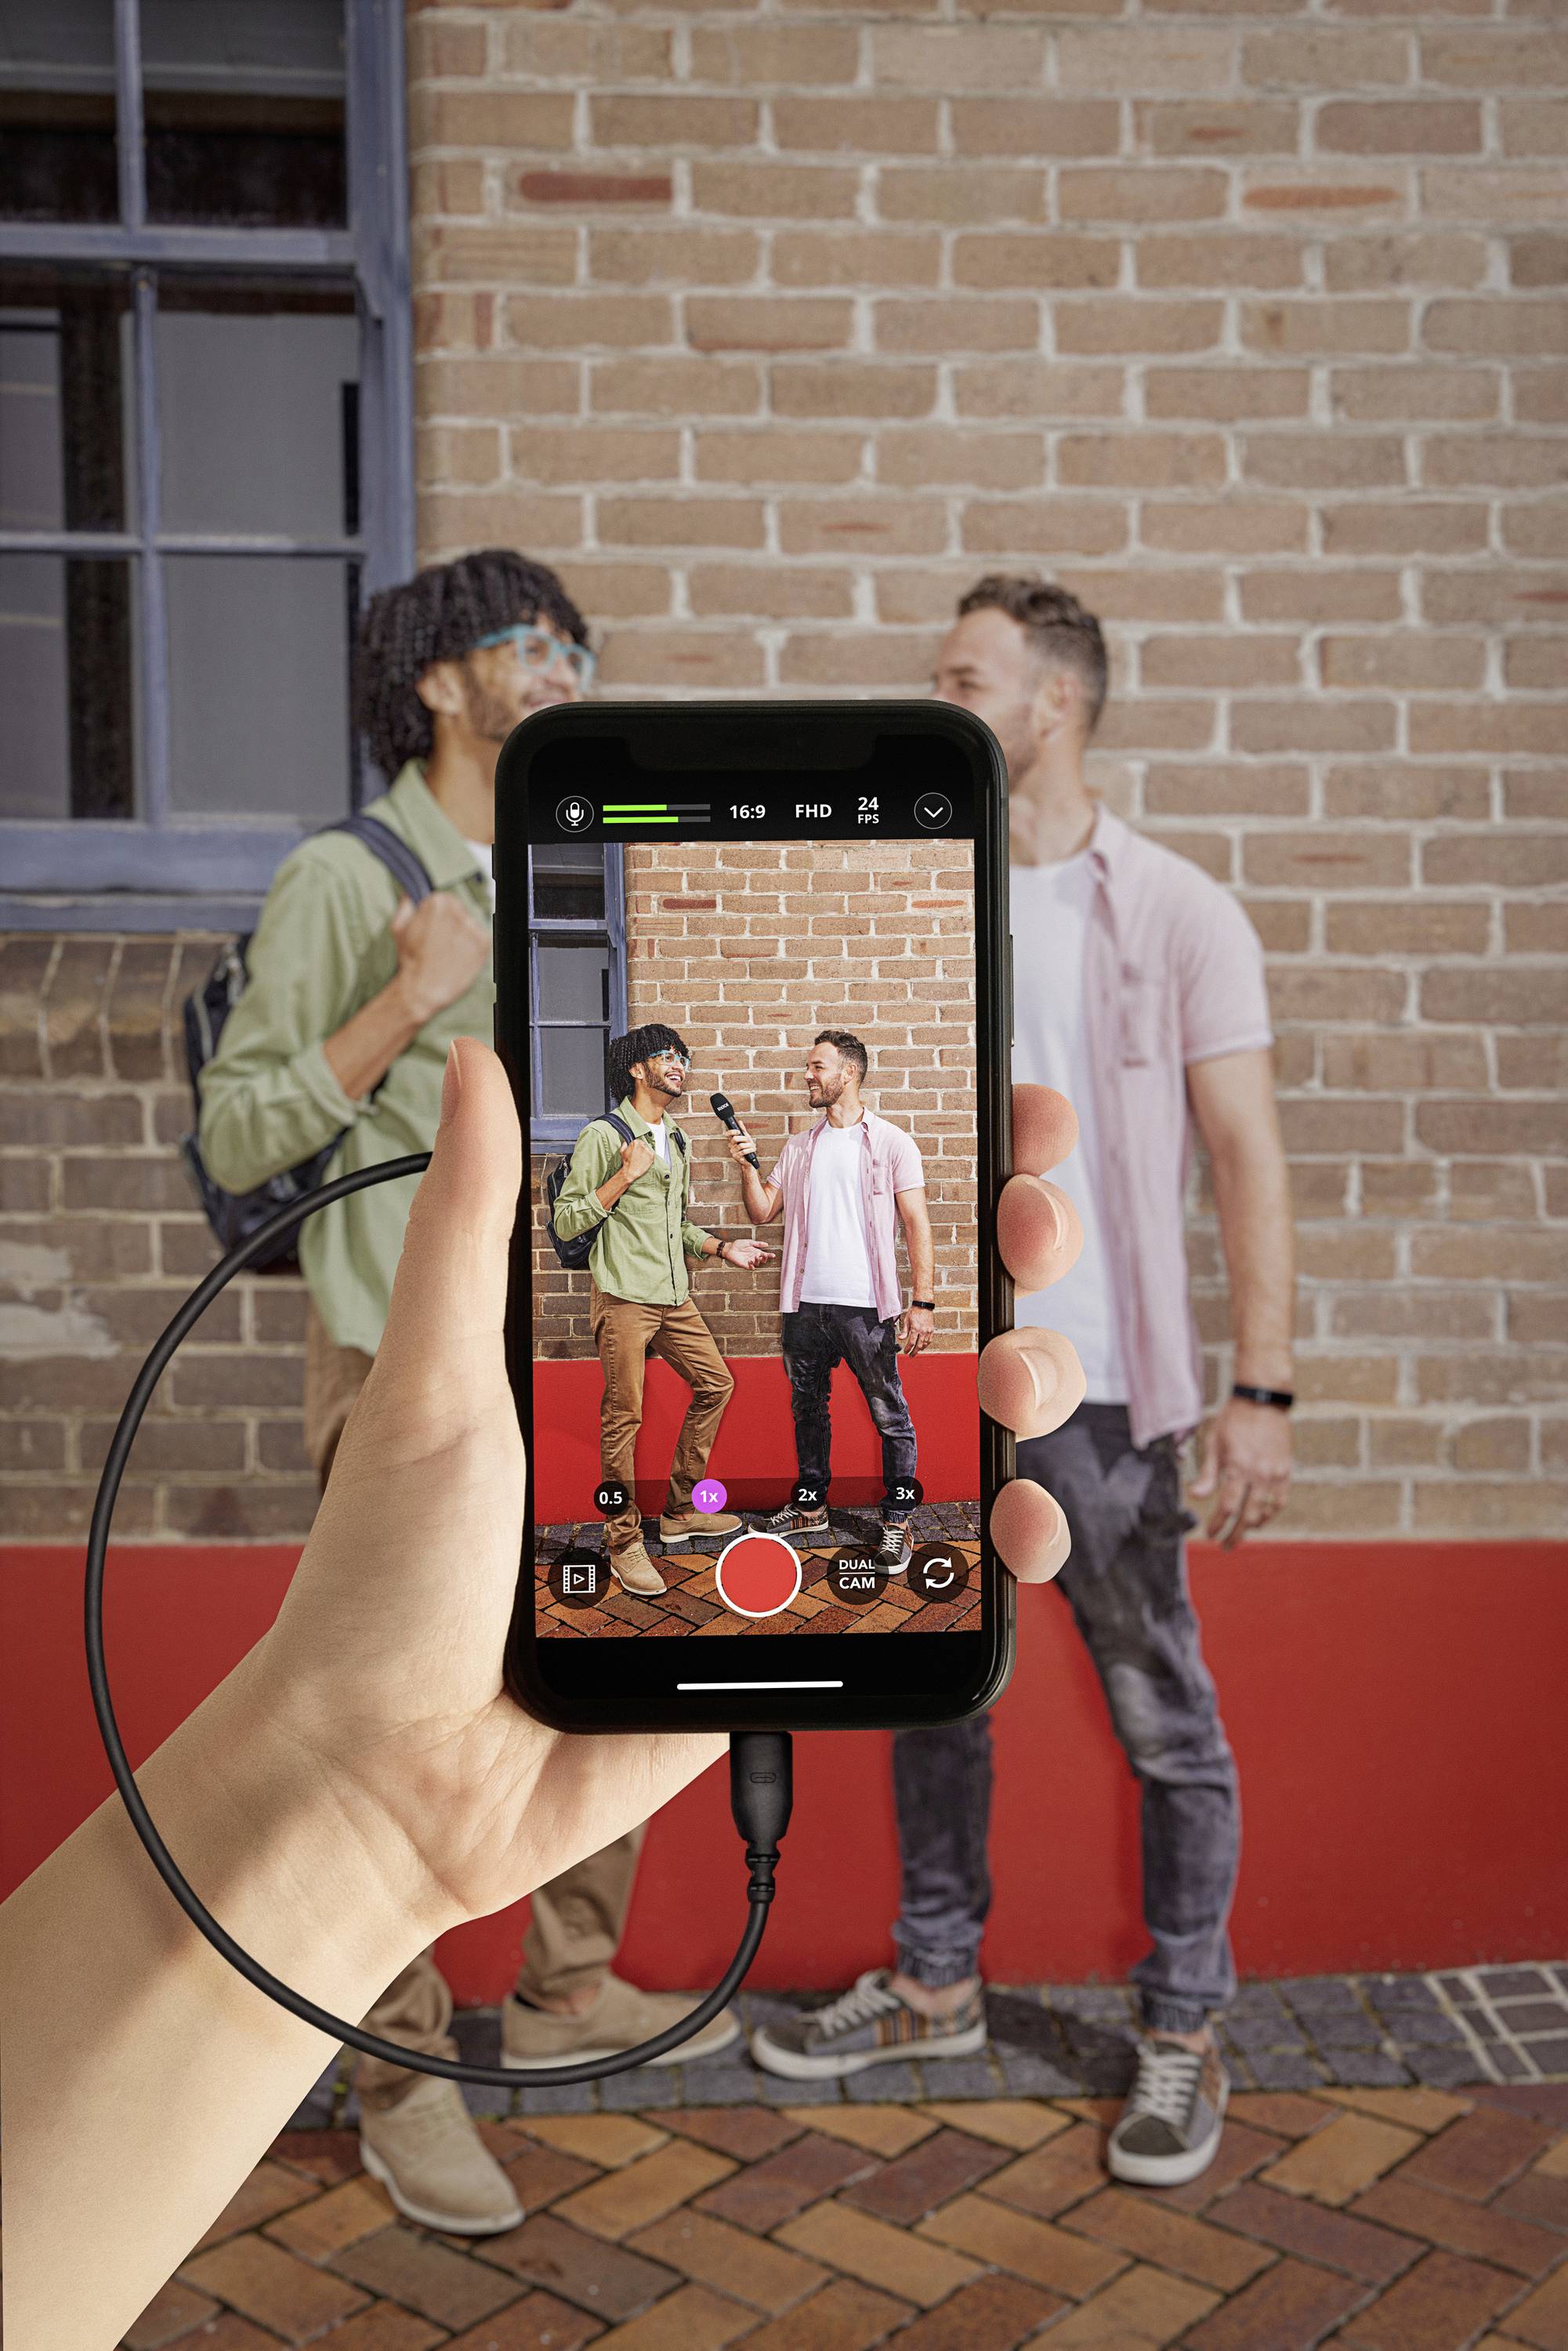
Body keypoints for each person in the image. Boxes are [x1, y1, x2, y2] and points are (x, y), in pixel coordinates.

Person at [2, 1038, 1083, 2351]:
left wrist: (737, 1245)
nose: (709, 1076)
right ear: (649, 1075)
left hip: (728, 1305)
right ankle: (656, 1529)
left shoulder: (789, 1141)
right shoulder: (639, 1119)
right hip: (568, 1334)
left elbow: (729, 1223)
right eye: (677, 1065)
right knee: (642, 1449)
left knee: (742, 1399)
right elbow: (576, 1222)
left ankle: (734, 1526)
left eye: (779, 1065)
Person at [194, 550, 734, 2237]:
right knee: (409, 1714)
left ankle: (568, 1990)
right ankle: (402, 2076)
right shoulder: (352, 881)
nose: (562, 655)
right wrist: (406, 1003)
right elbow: (238, 1130)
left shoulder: (591, 867)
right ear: (437, 685)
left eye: (577, 635)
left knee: (617, 1646)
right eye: (523, 640)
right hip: (402, 1367)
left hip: (585, 1345)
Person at [753, 577, 1296, 2193]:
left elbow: (1245, 1153)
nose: (934, 694)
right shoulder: (920, 899)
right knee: (939, 1697)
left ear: (1047, 704)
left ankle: (1184, 2020)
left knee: (1163, 1719)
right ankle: (933, 1983)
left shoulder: (1181, 913)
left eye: (960, 675)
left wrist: (1257, 1390)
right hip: (940, 1378)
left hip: (1111, 1402)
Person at [551, 1021, 774, 1593]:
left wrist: (722, 1248)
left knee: (715, 1384)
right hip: (624, 1296)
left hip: (673, 1296)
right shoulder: (605, 1136)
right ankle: (623, 1540)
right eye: (665, 1055)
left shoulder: (675, 1135)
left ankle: (678, 1512)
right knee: (623, 1417)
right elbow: (568, 1219)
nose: (679, 1063)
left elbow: (673, 1224)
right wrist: (624, 1175)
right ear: (635, 1068)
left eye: (684, 1056)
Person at [725, 1031, 934, 1571]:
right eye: (807, 1067)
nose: (807, 1076)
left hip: (866, 1308)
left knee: (889, 1414)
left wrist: (923, 1302)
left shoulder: (890, 1142)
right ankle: (810, 1506)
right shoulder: (799, 1146)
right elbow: (762, 1212)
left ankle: (897, 1521)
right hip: (804, 1305)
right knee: (807, 1410)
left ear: (849, 1073)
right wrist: (747, 1163)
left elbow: (916, 1226)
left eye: (817, 1067)